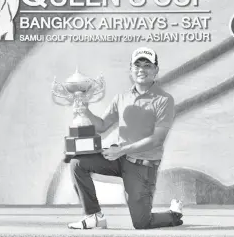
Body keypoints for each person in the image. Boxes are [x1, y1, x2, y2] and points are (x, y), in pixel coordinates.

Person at [67, 47, 183, 230]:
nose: (141, 70)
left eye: (147, 65)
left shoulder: (164, 100)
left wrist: (121, 150)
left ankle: (173, 215)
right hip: (120, 158)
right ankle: (94, 216)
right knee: (78, 163)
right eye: (137, 65)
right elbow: (102, 125)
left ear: (156, 70)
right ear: (130, 69)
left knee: (142, 223)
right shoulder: (122, 98)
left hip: (142, 167)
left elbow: (157, 140)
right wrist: (85, 110)